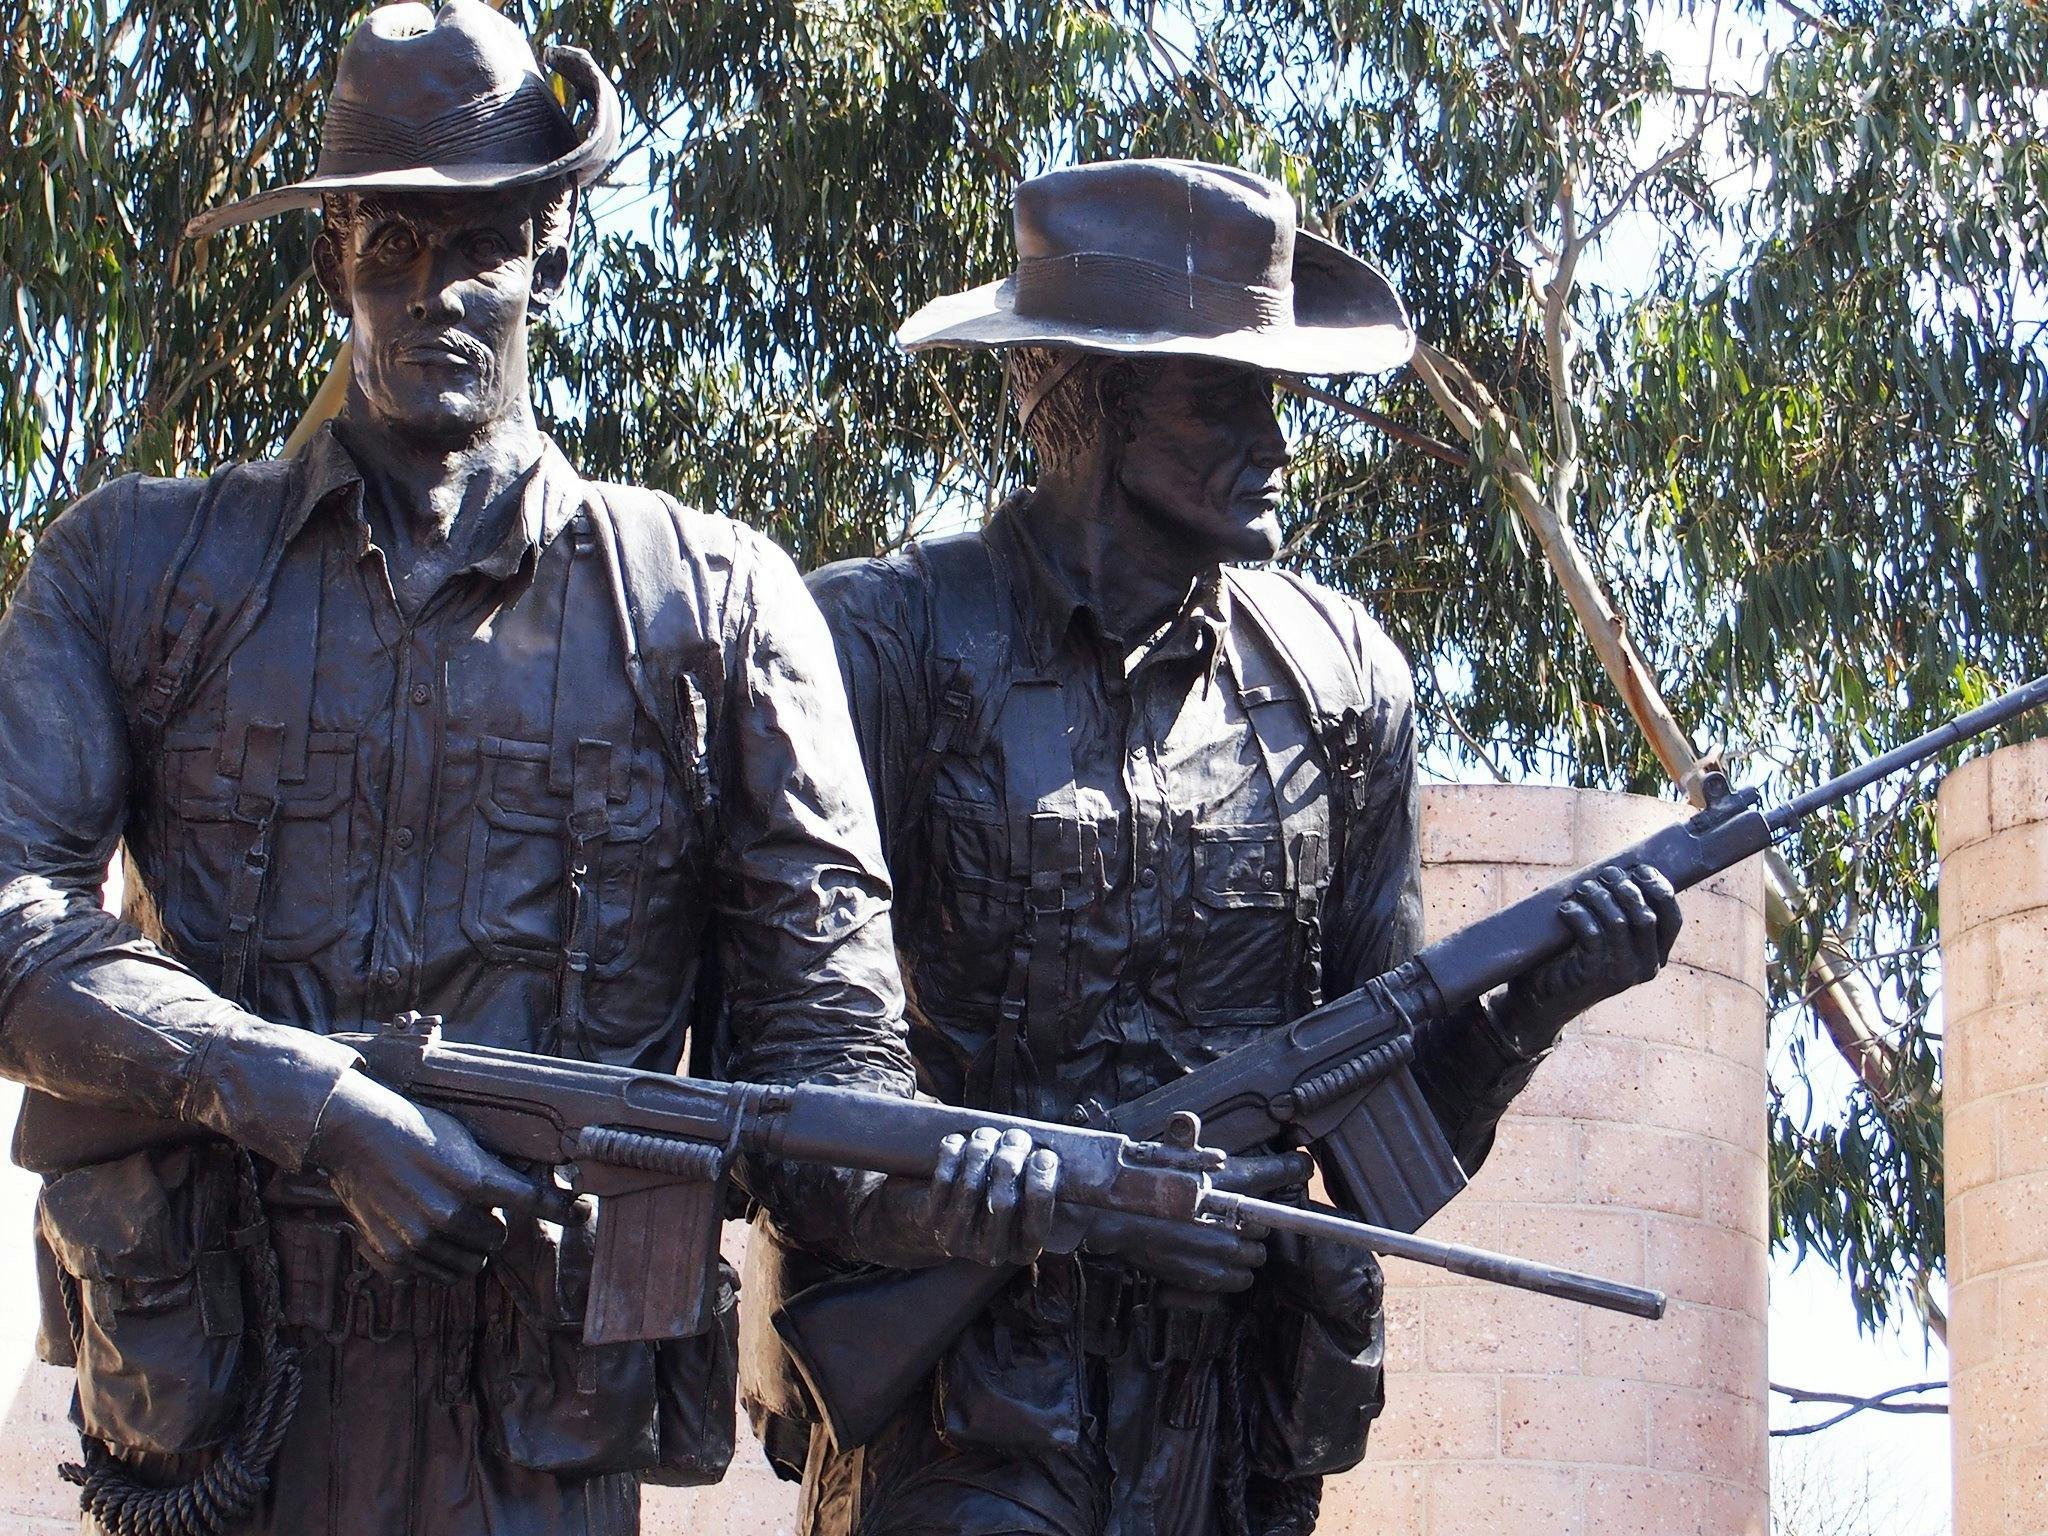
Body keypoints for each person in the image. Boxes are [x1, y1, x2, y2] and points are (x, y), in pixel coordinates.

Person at [0, 6, 1054, 1533]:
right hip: (222, 1398)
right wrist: (319, 1106)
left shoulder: (721, 606)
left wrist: (960, 1184)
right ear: (329, 260)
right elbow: (17, 925)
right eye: (388, 240)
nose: (432, 291)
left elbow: (825, 1063)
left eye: (482, 243)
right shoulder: (136, 567)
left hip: (538, 1423)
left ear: (554, 259)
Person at [765, 158, 1686, 1536]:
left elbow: (1383, 1147)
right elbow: (786, 1098)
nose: (1278, 440)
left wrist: (1539, 1003)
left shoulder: (1344, 683)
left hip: (1227, 1439)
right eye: (1224, 394)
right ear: (1088, 397)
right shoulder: (881, 646)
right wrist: (1063, 1202)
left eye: (1276, 391)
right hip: (961, 1432)